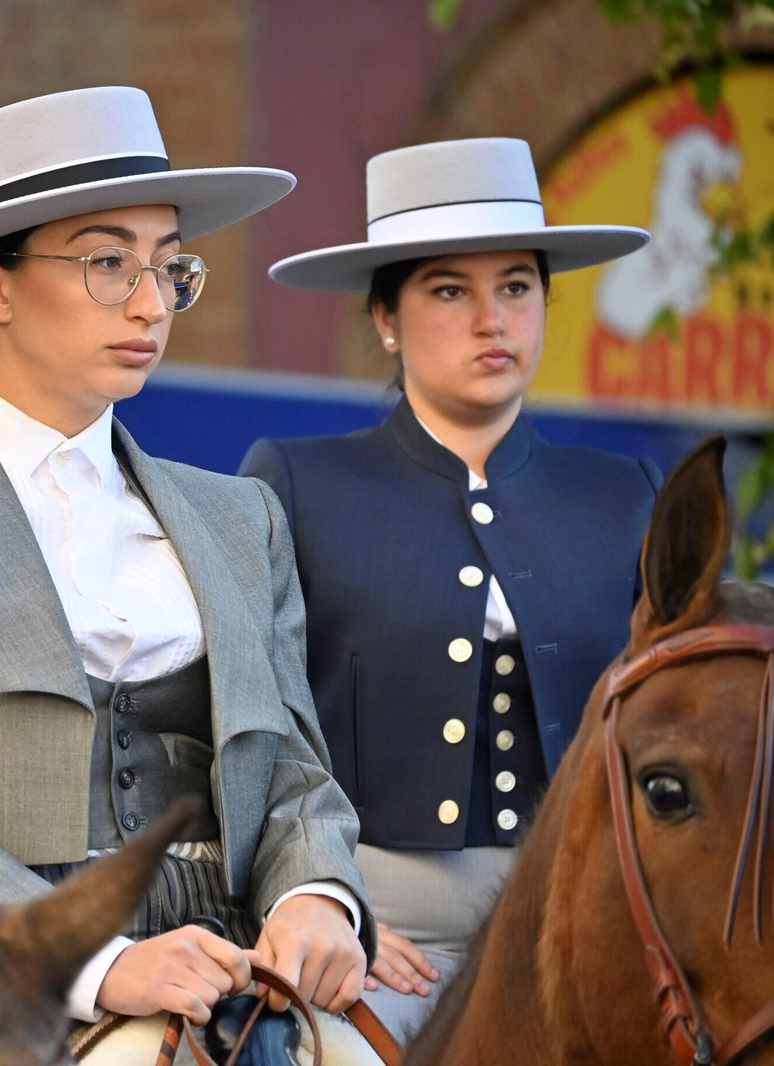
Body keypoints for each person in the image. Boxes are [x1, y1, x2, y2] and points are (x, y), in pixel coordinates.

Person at [0, 86, 374, 1033]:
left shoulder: (239, 516)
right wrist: (96, 961)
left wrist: (317, 897)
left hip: (233, 970)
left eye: (169, 267)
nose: (151, 304)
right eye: (107, 263)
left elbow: (296, 773)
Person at [241, 137, 658, 1044]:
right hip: (372, 936)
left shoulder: (622, 496)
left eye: (516, 286)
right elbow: (245, 727)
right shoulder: (299, 483)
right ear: (385, 318)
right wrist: (318, 897)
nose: (491, 320)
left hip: (582, 932)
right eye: (448, 291)